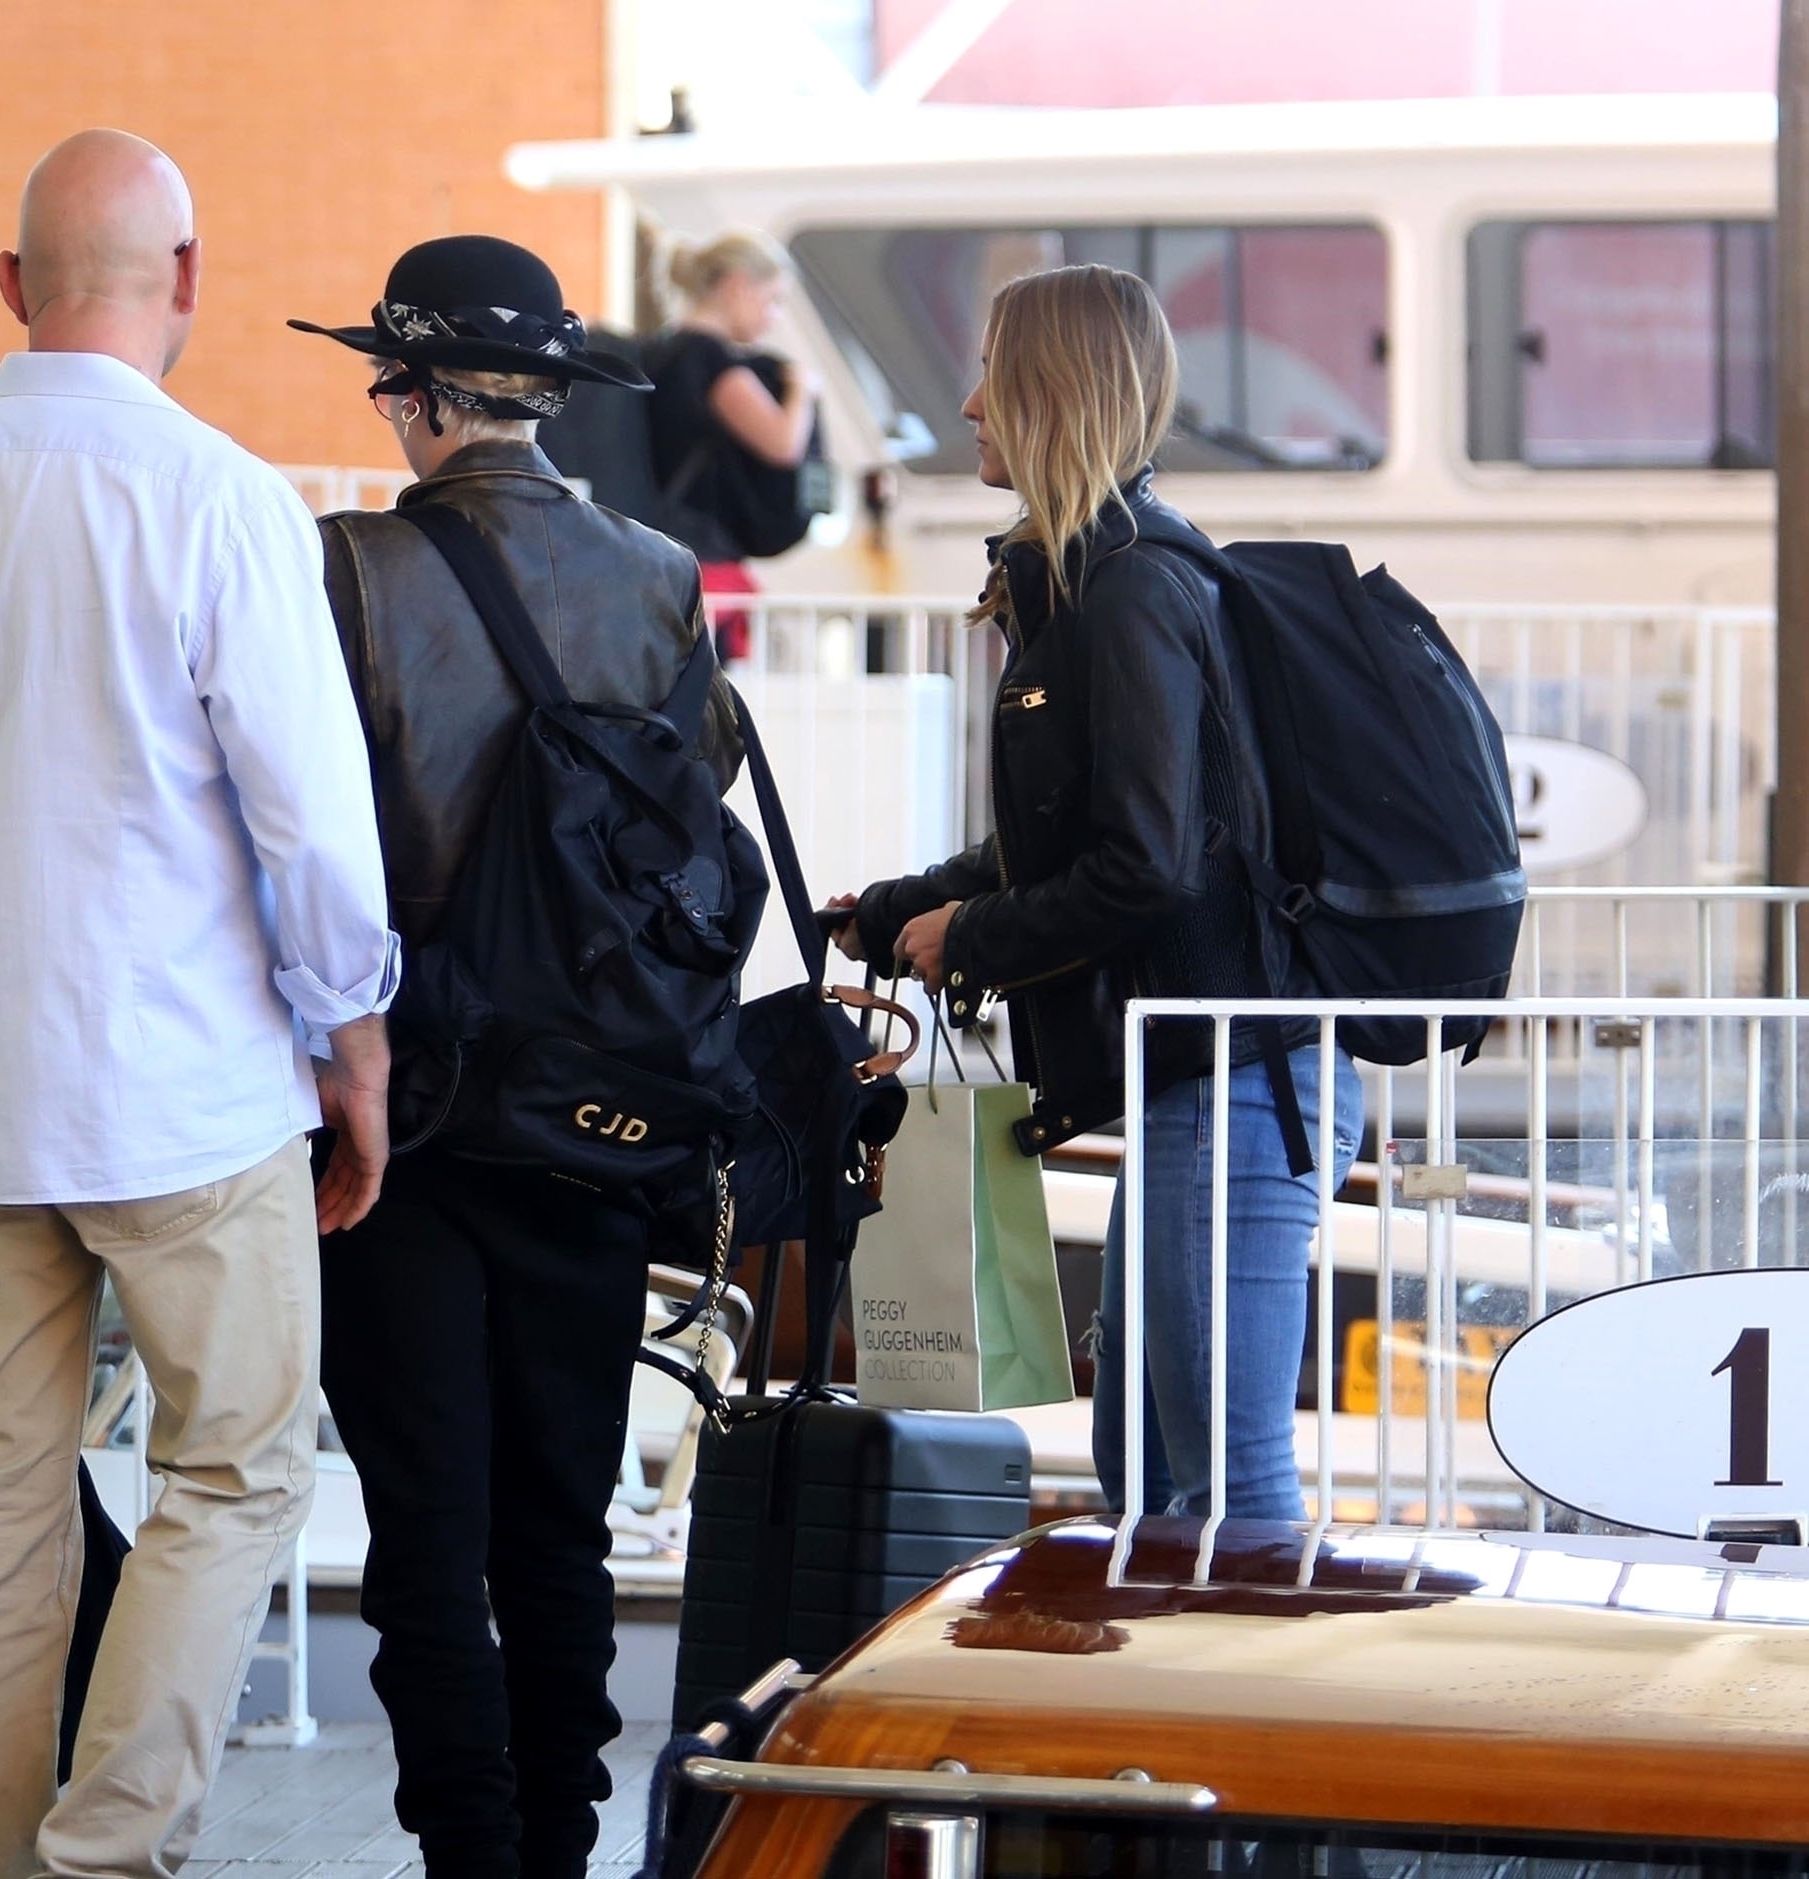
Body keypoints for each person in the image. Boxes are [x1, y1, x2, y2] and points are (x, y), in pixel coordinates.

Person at [0, 128, 402, 1879]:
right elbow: (311, 821)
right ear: (188, 278)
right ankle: (110, 1848)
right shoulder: (224, 499)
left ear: (12, 286)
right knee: (234, 1468)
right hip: (193, 1088)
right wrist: (353, 1035)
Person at [290, 234, 740, 1879]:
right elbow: (688, 823)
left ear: (415, 395)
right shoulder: (659, 572)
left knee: (425, 1517)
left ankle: (469, 1849)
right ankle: (561, 1840)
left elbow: (299, 831)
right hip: (599, 1103)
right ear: (545, 396)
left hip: (396, 1099)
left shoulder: (346, 568)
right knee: (559, 1512)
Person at [827, 263, 1363, 1522]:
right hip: (1205, 1083)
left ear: (1050, 393)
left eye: (990, 378)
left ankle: (1233, 1667)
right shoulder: (1092, 578)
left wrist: (971, 936)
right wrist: (896, 911)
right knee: (1151, 1487)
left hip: (1237, 1084)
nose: (968, 406)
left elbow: (1145, 865)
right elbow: (1074, 840)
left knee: (1221, 1495)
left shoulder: (1130, 587)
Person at [642, 231, 817, 654]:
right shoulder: (711, 359)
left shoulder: (661, 350)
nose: (773, 317)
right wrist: (802, 391)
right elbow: (782, 444)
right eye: (772, 299)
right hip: (703, 560)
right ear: (738, 285)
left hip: (662, 548)